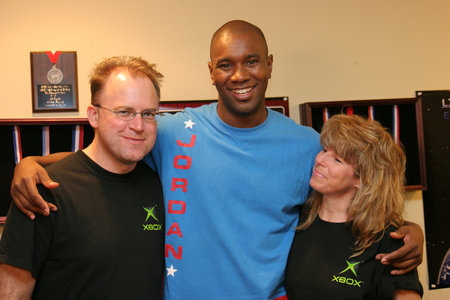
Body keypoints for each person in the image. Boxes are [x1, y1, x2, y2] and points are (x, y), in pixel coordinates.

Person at [9, 21, 424, 299]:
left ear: (269, 65)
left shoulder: (307, 146)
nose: (240, 75)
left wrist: (406, 229)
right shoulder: (170, 130)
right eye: (226, 64)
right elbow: (111, 150)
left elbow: (356, 191)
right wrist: (33, 163)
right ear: (211, 71)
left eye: (252, 61)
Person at [0, 56, 165, 299]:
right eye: (124, 112)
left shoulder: (159, 183)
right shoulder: (43, 189)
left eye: (148, 113)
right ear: (94, 116)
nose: (139, 125)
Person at [285, 114, 423, 299]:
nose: (320, 160)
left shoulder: (387, 238)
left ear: (363, 179)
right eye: (325, 150)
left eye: (337, 160)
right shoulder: (299, 218)